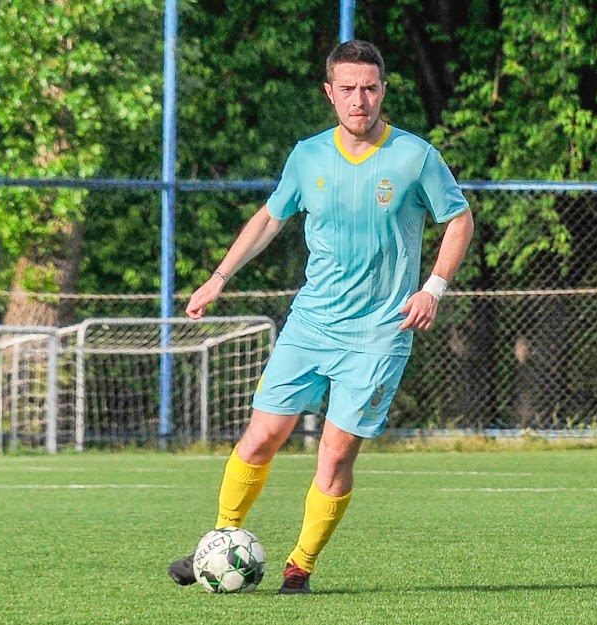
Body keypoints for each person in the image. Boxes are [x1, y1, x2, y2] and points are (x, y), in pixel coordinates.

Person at [168, 39, 474, 594]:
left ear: (383, 90)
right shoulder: (307, 156)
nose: (361, 99)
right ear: (330, 93)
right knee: (261, 437)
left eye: (371, 87)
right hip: (311, 323)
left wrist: (434, 287)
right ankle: (220, 542)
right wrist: (218, 278)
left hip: (382, 332)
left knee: (333, 457)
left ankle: (299, 567)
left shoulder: (415, 156)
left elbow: (459, 219)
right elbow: (269, 218)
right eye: (349, 89)